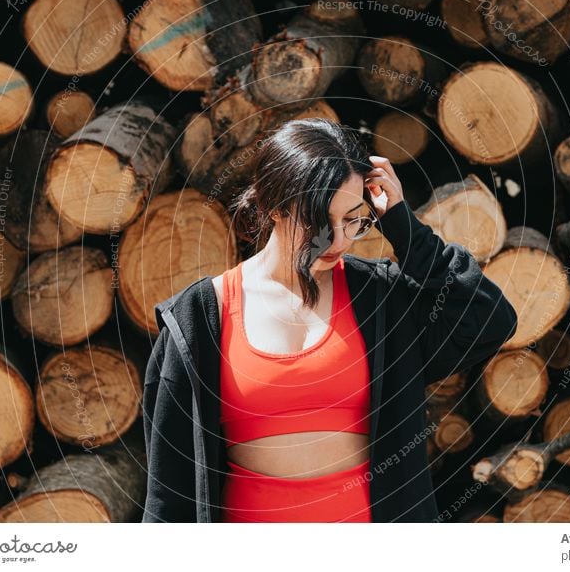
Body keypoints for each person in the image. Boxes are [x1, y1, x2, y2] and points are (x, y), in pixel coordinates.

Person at [142, 118, 518, 523]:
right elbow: (169, 493)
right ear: (273, 207)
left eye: (353, 219)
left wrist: (405, 229)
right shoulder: (199, 318)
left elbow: (489, 319)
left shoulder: (378, 299)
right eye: (320, 222)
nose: (339, 240)